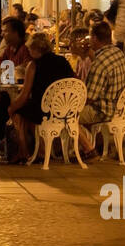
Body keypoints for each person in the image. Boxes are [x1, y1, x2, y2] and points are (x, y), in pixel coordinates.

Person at [8, 33, 76, 161]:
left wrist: (11, 108)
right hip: (65, 108)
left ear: (34, 49)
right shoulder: (62, 61)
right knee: (27, 110)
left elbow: (24, 95)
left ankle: (24, 151)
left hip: (44, 110)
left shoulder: (33, 66)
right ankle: (41, 149)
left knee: (18, 112)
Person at [78, 20, 125, 155]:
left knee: (67, 113)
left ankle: (88, 148)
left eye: (90, 38)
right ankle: (100, 142)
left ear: (95, 38)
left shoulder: (99, 64)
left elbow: (89, 97)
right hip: (119, 106)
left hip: (104, 110)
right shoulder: (117, 52)